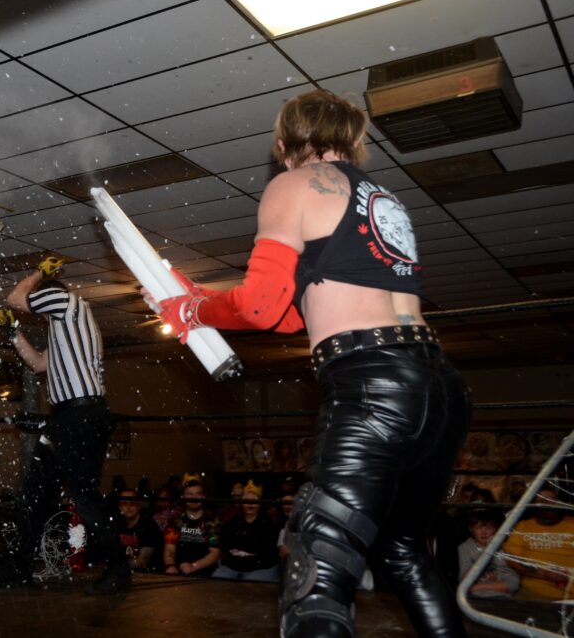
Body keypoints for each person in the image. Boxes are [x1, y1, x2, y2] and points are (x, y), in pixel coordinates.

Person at [153, 89, 472, 637]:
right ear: (356, 141)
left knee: (316, 565)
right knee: (402, 550)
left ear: (282, 146)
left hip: (373, 383)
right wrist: (203, 304)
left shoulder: (292, 185)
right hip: (438, 389)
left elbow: (258, 304)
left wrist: (192, 309)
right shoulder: (384, 198)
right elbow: (293, 317)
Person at [0, 257, 129, 594]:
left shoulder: (68, 302)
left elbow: (14, 299)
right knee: (35, 494)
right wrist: (13, 333)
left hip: (80, 416)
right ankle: (20, 567)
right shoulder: (66, 331)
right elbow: (39, 364)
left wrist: (39, 274)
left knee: (84, 498)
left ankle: (119, 570)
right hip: (68, 419)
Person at [502, 484, 573, 600]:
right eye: (542, 501)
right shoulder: (523, 526)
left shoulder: (572, 524)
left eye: (552, 500)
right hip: (533, 594)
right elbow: (512, 559)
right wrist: (545, 574)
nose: (548, 504)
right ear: (535, 505)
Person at [213, 481, 281, 583]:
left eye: (253, 500)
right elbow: (225, 545)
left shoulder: (268, 524)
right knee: (217, 579)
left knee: (249, 585)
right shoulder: (232, 521)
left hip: (260, 567)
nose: (250, 504)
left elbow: (270, 554)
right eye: (246, 500)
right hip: (233, 565)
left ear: (260, 502)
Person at [457, 503, 518, 599]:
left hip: (501, 597)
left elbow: (513, 583)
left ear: (495, 529)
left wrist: (477, 587)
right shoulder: (464, 547)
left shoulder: (503, 546)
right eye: (478, 527)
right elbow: (464, 581)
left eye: (489, 528)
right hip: (474, 597)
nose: (484, 532)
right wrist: (487, 551)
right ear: (471, 530)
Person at [162, 479, 221, 577]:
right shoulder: (176, 521)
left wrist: (194, 566)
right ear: (183, 497)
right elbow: (169, 548)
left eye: (198, 494)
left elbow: (214, 553)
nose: (194, 497)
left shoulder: (212, 521)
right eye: (189, 494)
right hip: (179, 572)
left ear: (203, 496)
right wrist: (170, 566)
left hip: (205, 573)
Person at [116, 488, 163, 571]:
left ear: (139, 505)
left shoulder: (149, 525)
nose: (129, 506)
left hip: (148, 574)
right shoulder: (117, 524)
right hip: (123, 572)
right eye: (125, 503)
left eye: (132, 503)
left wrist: (116, 565)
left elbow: (142, 562)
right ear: (120, 507)